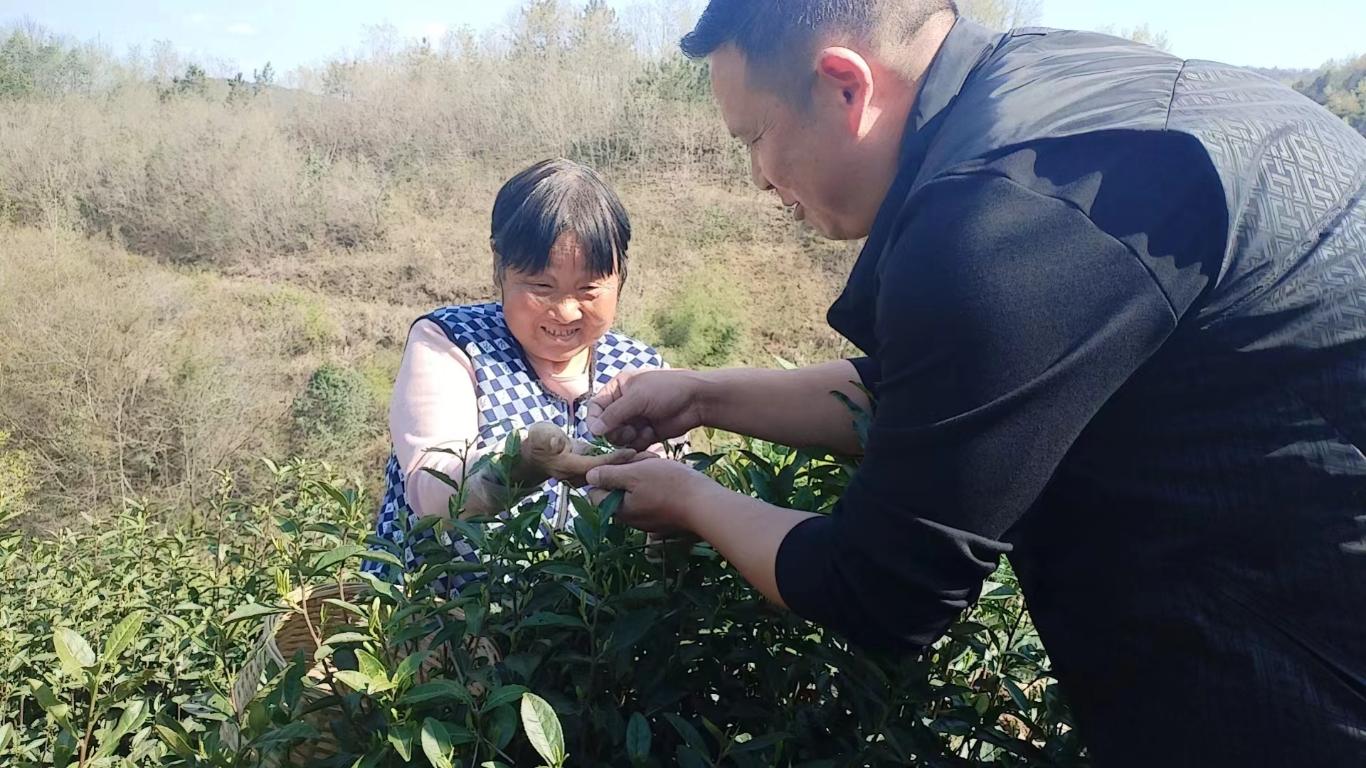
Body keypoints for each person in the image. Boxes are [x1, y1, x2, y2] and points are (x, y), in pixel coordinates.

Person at [583, 2, 1366, 765]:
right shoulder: (1044, 96)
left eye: (755, 137)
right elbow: (942, 400)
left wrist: (688, 498)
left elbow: (879, 587)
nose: (757, 177)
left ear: (845, 88)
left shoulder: (1000, 216)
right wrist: (701, 394)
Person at [364, 158, 667, 591]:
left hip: (584, 639)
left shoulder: (640, 370)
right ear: (499, 267)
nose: (564, 311)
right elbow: (432, 487)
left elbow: (663, 517)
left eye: (588, 290)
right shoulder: (454, 341)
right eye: (541, 287)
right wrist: (519, 466)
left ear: (620, 276)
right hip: (439, 631)